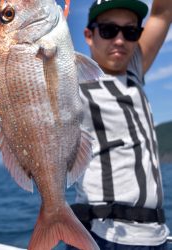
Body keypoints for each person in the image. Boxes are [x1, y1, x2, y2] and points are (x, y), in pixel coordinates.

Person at [67, 0, 172, 249]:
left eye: (131, 31)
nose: (119, 40)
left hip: (157, 236)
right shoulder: (71, 83)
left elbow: (163, 12)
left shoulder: (134, 69)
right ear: (89, 36)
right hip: (103, 236)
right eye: (108, 30)